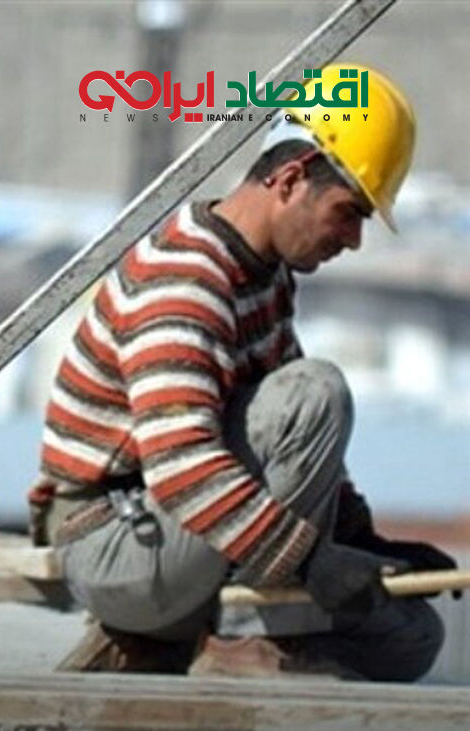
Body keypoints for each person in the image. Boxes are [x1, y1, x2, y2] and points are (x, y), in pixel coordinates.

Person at [26, 63, 456, 681]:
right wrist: (314, 564)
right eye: (348, 212)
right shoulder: (185, 278)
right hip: (120, 545)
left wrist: (364, 541)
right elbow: (181, 467)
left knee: (412, 638)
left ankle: (201, 645)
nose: (354, 240)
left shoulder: (265, 275)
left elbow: (297, 453)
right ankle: (239, 638)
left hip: (198, 542)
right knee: (314, 392)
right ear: (291, 178)